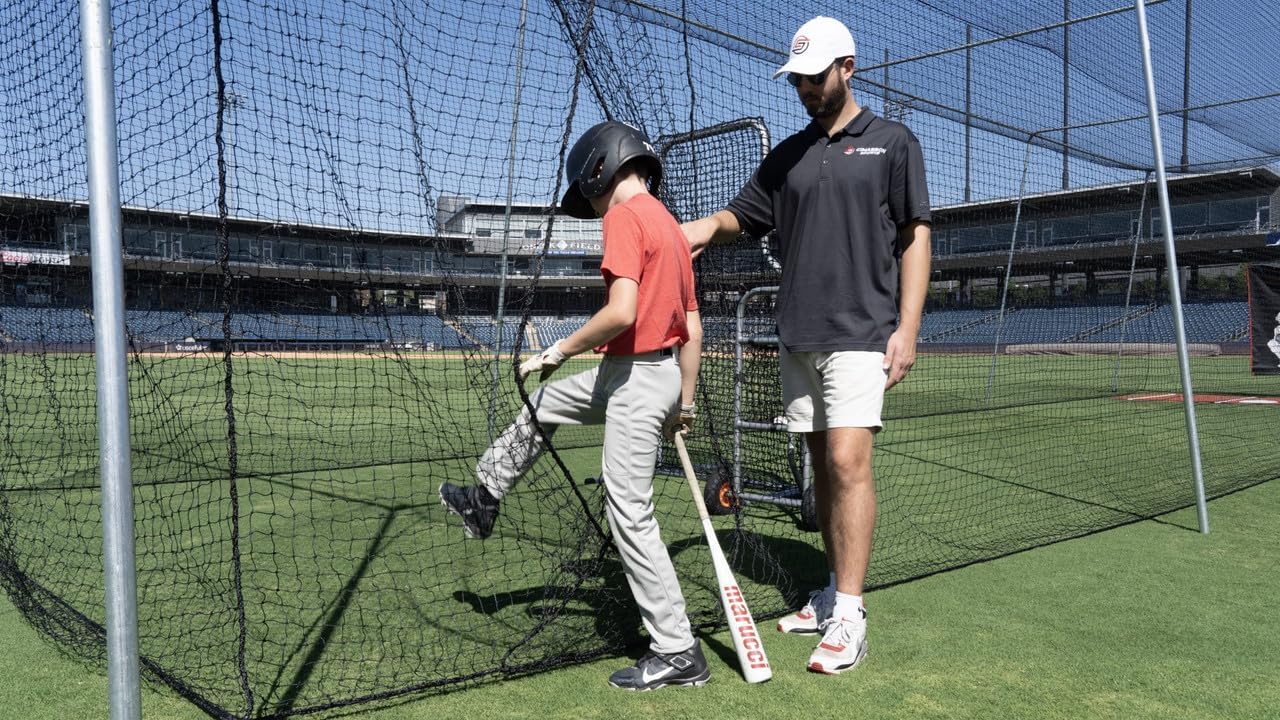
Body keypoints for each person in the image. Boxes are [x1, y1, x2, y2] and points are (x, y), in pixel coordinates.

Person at [681, 16, 932, 675]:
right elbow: (746, 214)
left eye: (814, 77)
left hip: (862, 331)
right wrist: (706, 227)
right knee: (823, 471)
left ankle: (849, 613)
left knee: (849, 462)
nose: (804, 89)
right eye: (796, 80)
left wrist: (907, 327)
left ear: (848, 68)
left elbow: (915, 237)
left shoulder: (892, 144)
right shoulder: (788, 155)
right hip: (799, 334)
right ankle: (828, 593)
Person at [440, 120, 707, 691]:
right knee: (546, 405)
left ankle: (678, 649)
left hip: (636, 377)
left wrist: (557, 350)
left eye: (588, 190)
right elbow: (693, 327)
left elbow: (622, 313)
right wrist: (683, 400)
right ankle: (485, 496)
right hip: (644, 373)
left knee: (629, 512)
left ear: (600, 167)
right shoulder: (670, 225)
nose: (589, 201)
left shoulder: (626, 217)